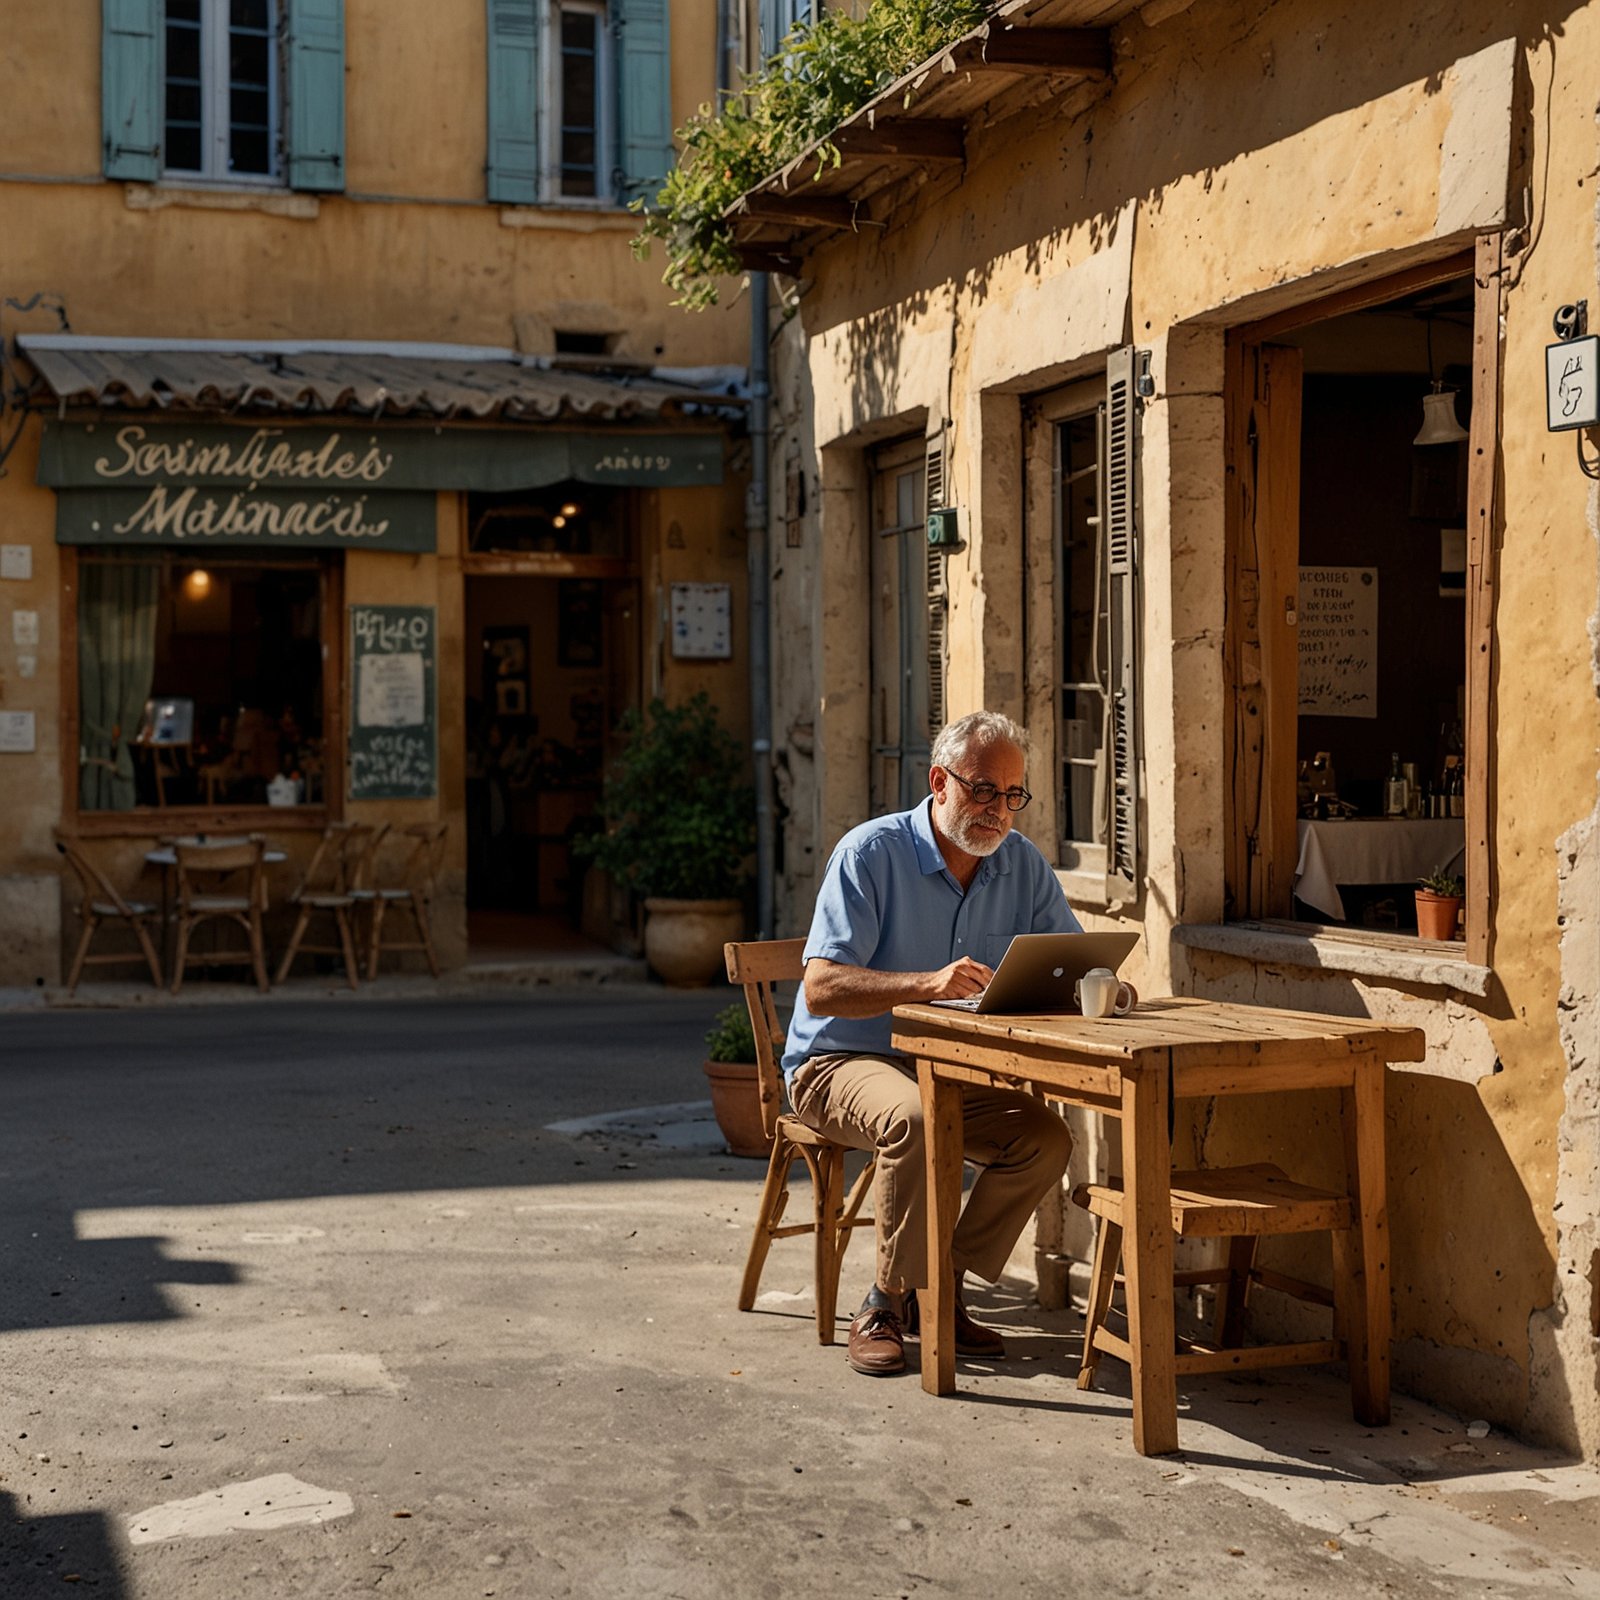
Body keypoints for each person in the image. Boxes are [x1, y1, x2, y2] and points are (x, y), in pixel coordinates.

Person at [782, 710, 1081, 1376]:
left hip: (947, 1069)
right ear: (939, 782)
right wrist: (927, 984)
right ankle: (884, 1302)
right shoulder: (870, 853)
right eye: (983, 789)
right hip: (838, 1062)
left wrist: (1106, 987)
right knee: (914, 1118)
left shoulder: (1021, 865)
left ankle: (938, 1284)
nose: (998, 810)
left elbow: (1073, 961)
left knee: (1045, 1140)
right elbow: (821, 988)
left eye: (1013, 794)